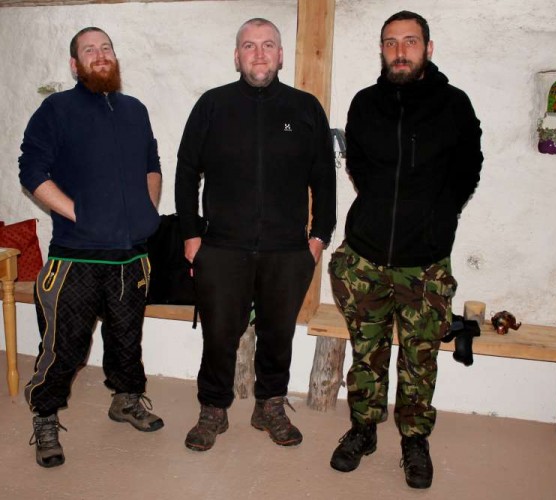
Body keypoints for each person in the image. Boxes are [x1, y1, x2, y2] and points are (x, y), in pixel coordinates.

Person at [328, 11, 483, 489]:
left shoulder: (454, 105)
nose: (400, 51)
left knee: (420, 358)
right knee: (366, 352)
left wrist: (436, 218)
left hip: (425, 263)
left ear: (428, 49)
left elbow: (468, 168)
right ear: (382, 50)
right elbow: (358, 165)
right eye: (391, 42)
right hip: (365, 258)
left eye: (410, 41)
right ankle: (363, 429)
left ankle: (414, 439)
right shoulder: (364, 103)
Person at [175, 18, 336, 452]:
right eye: (250, 46)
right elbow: (187, 170)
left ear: (281, 55)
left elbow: (324, 177)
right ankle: (213, 409)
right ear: (237, 56)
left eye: (268, 45)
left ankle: (270, 405)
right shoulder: (212, 105)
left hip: (287, 248)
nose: (259, 54)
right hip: (222, 245)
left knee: (278, 332)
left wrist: (318, 237)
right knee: (219, 333)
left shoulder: (304, 109)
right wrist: (191, 236)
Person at [18, 27, 164, 468]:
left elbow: (151, 165)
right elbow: (32, 171)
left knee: (127, 341)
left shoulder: (135, 110)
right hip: (75, 257)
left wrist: (147, 210)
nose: (100, 55)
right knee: (65, 348)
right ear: (74, 64)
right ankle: (44, 416)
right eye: (89, 50)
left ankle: (125, 399)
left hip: (131, 257)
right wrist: (80, 214)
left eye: (106, 48)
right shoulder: (56, 109)